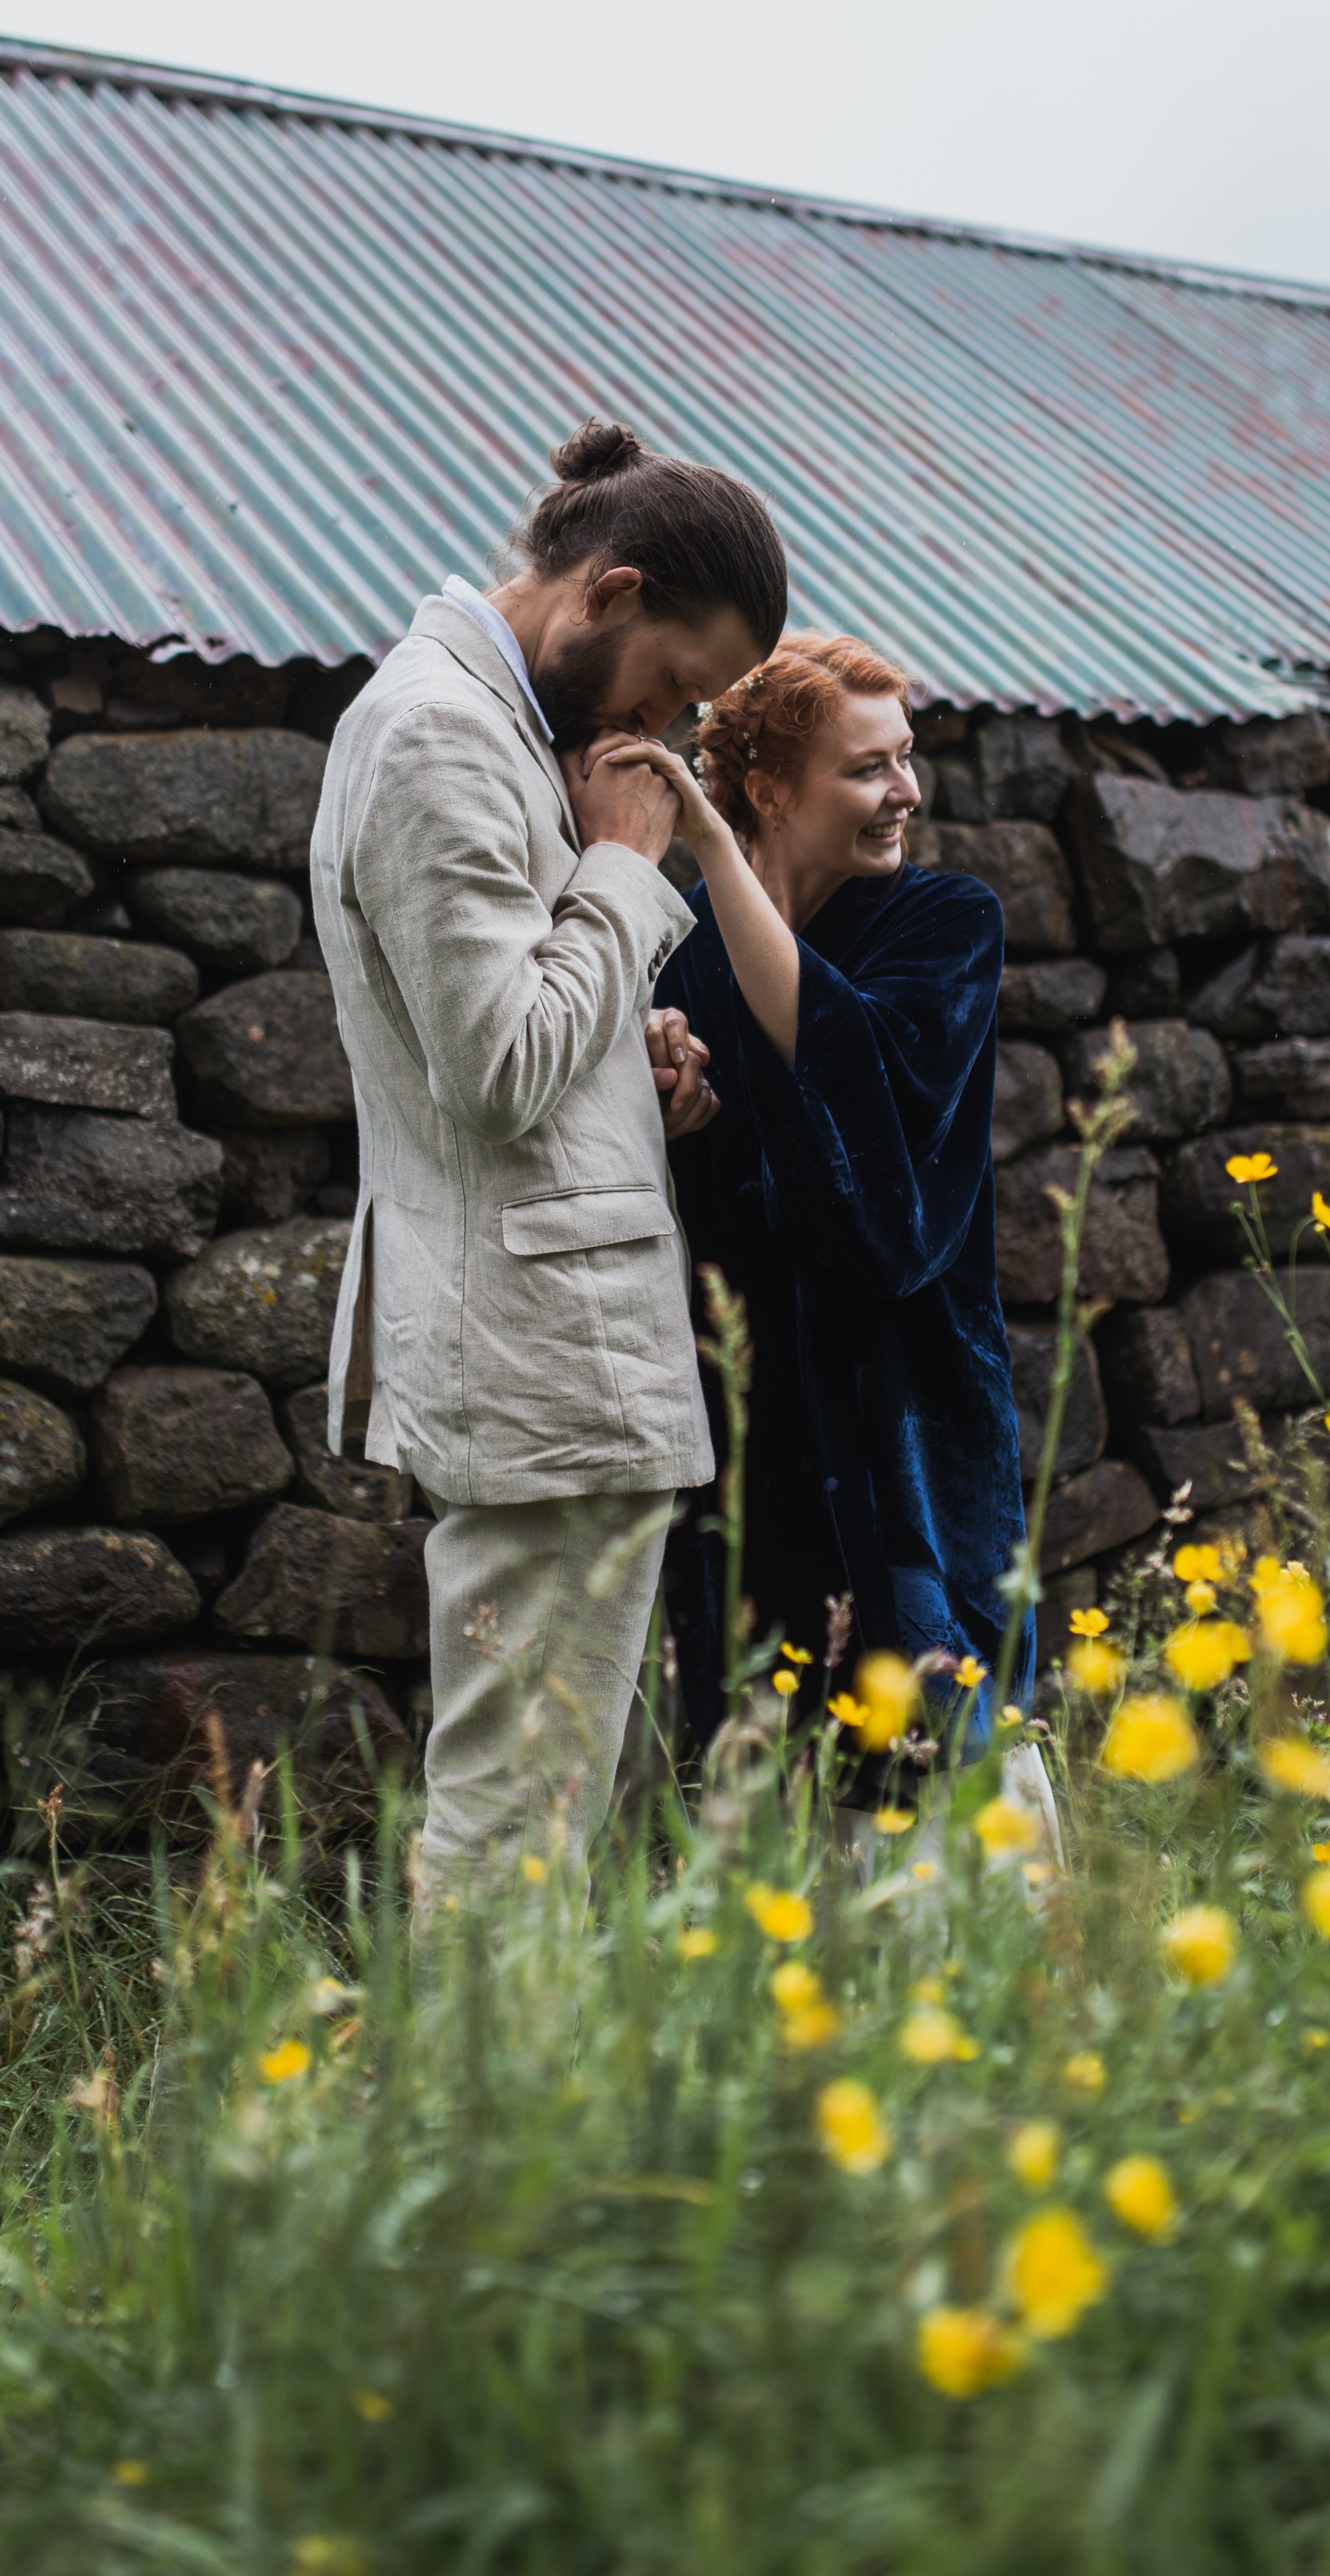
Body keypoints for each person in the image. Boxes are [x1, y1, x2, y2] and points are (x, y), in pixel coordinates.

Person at [309, 420, 786, 1896]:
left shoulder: (510, 725)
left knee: (550, 1815)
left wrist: (633, 1066)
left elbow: (516, 1034)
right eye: (678, 683)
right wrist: (632, 869)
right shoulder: (440, 731)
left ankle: (515, 2119)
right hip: (542, 1362)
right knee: (514, 1829)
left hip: (561, 1356)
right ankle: (464, 2127)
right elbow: (503, 1067)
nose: (678, 727)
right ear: (611, 590)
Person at [592, 631, 1031, 1773]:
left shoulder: (946, 925)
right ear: (770, 789)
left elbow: (866, 1106)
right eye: (869, 767)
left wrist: (706, 844)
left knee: (936, 1755)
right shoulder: (676, 966)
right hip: (746, 1427)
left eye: (907, 757)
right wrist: (652, 1069)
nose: (907, 792)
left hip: (905, 1420)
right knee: (758, 1754)